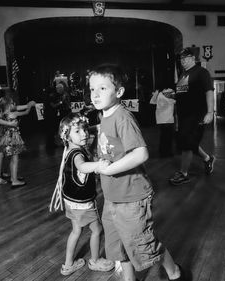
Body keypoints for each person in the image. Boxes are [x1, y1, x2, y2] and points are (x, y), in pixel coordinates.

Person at [89, 64, 184, 281]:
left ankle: (175, 273)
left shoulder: (122, 117)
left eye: (102, 88)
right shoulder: (104, 115)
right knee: (117, 248)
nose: (95, 94)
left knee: (145, 246)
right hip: (112, 197)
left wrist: (108, 169)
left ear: (119, 92)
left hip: (132, 198)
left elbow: (141, 154)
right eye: (92, 88)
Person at [49, 113, 114, 276]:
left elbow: (82, 131)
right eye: (78, 131)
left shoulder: (69, 148)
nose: (84, 134)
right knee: (97, 230)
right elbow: (82, 166)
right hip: (83, 204)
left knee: (76, 231)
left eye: (85, 129)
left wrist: (96, 127)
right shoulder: (78, 154)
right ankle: (95, 261)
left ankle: (68, 265)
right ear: (66, 135)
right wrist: (98, 165)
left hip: (71, 201)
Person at [164, 47, 215, 185]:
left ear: (193, 58)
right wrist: (173, 95)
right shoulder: (183, 74)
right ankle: (207, 158)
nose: (183, 61)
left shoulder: (201, 72)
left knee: (187, 143)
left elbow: (209, 91)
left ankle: (183, 173)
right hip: (183, 115)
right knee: (188, 142)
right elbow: (184, 93)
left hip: (197, 114)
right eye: (181, 59)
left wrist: (210, 112)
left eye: (185, 58)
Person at [0, 92, 35, 187]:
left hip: (5, 133)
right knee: (2, 155)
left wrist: (28, 105)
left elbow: (16, 108)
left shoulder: (5, 108)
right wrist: (10, 124)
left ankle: (12, 175)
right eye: (12, 102)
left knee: (9, 155)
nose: (14, 104)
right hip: (1, 133)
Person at [150, 89, 176, 157]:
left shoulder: (158, 91)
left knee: (163, 136)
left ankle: (162, 152)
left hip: (160, 117)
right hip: (168, 117)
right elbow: (173, 101)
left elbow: (152, 101)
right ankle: (167, 153)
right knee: (168, 136)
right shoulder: (171, 91)